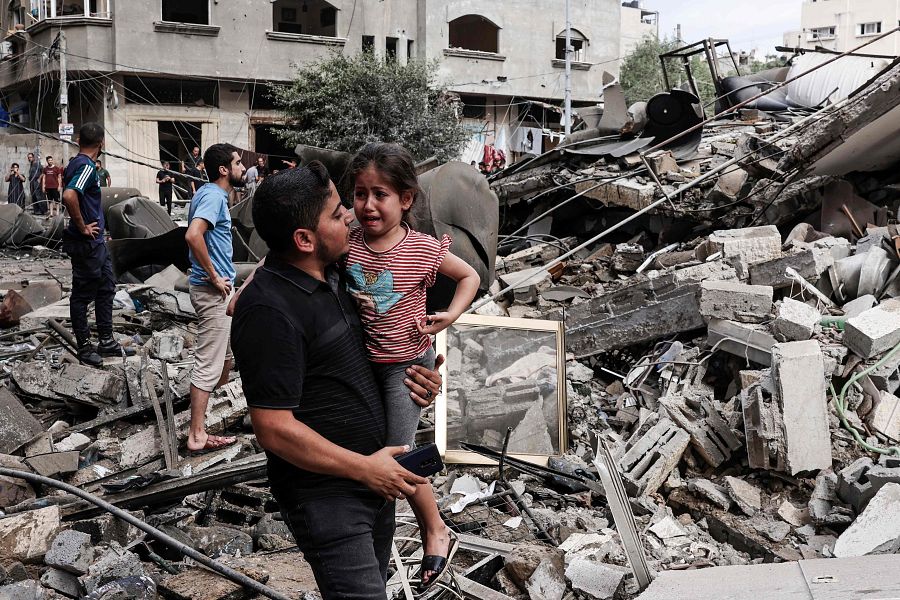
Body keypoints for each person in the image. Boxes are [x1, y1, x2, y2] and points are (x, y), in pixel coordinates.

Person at [230, 164, 443, 600]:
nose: (350, 215)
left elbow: (372, 355)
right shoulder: (269, 311)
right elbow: (274, 428)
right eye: (335, 212)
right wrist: (365, 468)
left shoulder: (338, 273)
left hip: (375, 481)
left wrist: (421, 378)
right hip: (328, 497)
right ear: (304, 240)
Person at [344, 142, 480, 590]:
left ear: (405, 199)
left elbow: (469, 276)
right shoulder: (347, 242)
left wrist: (453, 314)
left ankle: (432, 529)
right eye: (360, 193)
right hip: (365, 362)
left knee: (396, 455)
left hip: (407, 365)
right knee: (377, 450)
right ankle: (406, 535)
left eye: (380, 194)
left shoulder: (422, 248)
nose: (368, 205)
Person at [184, 144, 243, 453]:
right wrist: (213, 275)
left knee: (225, 360)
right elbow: (193, 235)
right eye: (237, 163)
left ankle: (209, 420)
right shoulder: (212, 196)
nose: (243, 168)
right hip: (212, 292)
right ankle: (196, 435)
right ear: (224, 169)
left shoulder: (213, 195)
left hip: (219, 290)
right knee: (208, 363)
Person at [60, 123, 130, 366]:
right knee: (81, 295)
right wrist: (83, 226)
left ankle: (106, 341)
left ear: (79, 140)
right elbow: (69, 195)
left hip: (96, 243)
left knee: (106, 287)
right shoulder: (87, 167)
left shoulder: (74, 163)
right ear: (101, 144)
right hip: (86, 243)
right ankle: (84, 347)